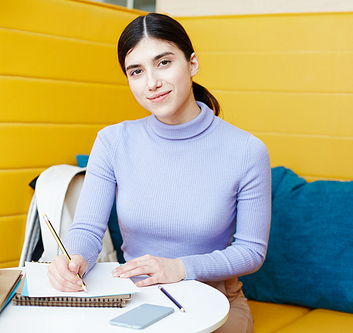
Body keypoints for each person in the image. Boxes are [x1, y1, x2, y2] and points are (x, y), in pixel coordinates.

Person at [47, 13, 271, 333]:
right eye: (136, 71)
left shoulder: (247, 150)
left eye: (163, 63)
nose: (151, 83)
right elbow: (87, 228)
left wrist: (179, 267)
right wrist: (74, 260)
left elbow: (251, 251)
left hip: (214, 300)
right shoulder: (112, 141)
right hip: (136, 297)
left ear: (192, 64)